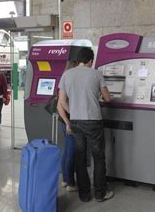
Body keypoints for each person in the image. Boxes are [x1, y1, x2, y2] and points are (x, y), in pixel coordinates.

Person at [57, 48, 114, 203]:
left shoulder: (67, 75)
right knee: (98, 157)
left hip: (76, 122)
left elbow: (61, 102)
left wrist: (74, 110)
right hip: (93, 121)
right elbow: (108, 98)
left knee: (80, 158)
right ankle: (100, 193)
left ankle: (84, 195)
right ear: (90, 60)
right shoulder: (96, 74)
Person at [59, 60, 78, 192]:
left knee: (67, 152)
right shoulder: (69, 82)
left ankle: (65, 180)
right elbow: (60, 105)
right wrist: (68, 122)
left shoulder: (64, 80)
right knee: (71, 152)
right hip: (69, 122)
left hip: (64, 121)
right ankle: (70, 183)